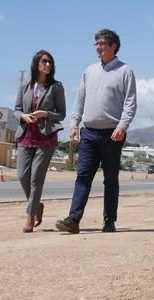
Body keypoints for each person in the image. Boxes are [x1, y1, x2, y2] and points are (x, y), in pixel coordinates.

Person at [55, 29, 137, 234]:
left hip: (112, 134)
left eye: (102, 43)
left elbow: (130, 102)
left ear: (113, 46)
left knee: (110, 180)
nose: (98, 47)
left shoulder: (125, 71)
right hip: (89, 133)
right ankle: (73, 219)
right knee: (83, 176)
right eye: (96, 44)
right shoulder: (89, 71)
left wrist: (122, 126)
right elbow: (80, 99)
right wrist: (74, 124)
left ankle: (109, 221)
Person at [14, 50, 67, 233]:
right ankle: (37, 205)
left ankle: (30, 216)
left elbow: (62, 114)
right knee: (22, 175)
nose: (48, 65)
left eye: (50, 62)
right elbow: (16, 109)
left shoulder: (56, 87)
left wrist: (45, 114)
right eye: (44, 61)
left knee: (36, 178)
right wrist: (23, 116)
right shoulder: (25, 85)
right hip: (26, 134)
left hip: (46, 137)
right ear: (36, 63)